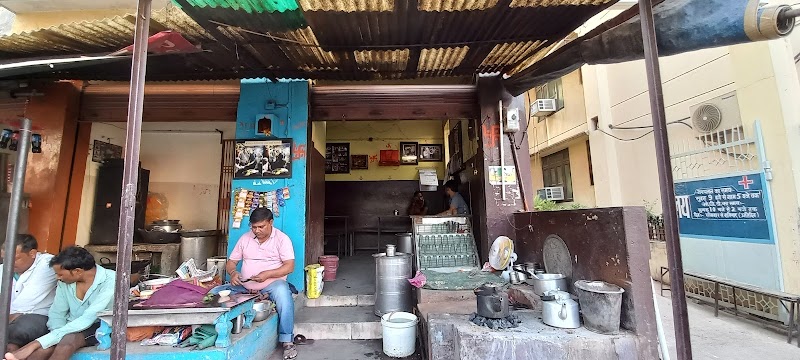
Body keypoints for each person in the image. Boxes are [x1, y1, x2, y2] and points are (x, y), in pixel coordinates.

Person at [210, 208, 297, 359]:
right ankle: (212, 330)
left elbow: (289, 266)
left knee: (283, 294)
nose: (257, 231)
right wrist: (233, 273)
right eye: (253, 227)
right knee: (215, 292)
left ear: (271, 222)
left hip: (272, 285)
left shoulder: (282, 239)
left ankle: (287, 341)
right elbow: (231, 262)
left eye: (261, 227)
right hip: (245, 286)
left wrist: (267, 274)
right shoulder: (245, 238)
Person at [4, 246, 115, 360]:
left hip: (99, 326)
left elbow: (88, 318)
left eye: (60, 274)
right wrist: (55, 335)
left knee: (66, 344)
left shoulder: (111, 281)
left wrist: (35, 344)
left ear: (77, 271)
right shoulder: (65, 282)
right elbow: (57, 312)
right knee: (44, 350)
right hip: (68, 326)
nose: (57, 277)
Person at [0, 235, 57, 353]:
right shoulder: (3, 269)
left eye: (15, 259)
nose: (8, 263)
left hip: (39, 317)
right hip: (10, 317)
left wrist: (6, 319)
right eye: (4, 259)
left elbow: (25, 303)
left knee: (17, 331)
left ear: (32, 253)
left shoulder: (48, 265)